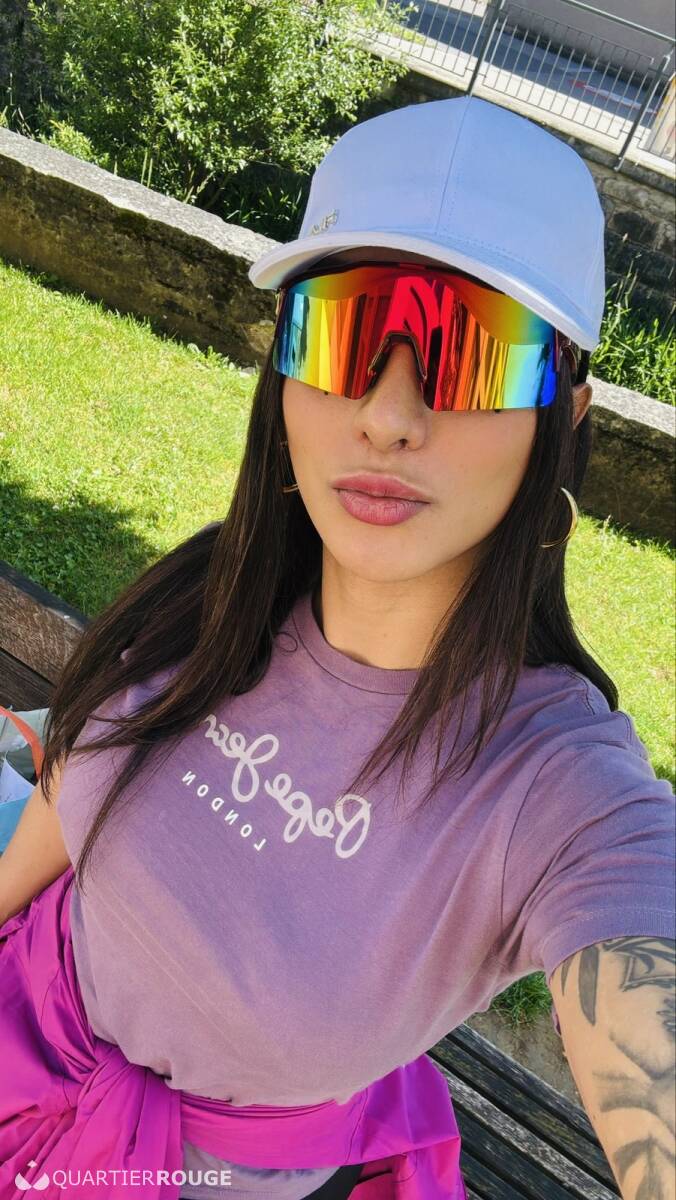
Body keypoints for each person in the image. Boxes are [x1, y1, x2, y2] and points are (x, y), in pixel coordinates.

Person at [0, 95, 673, 1200]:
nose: (388, 415)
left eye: (471, 354)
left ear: (566, 417)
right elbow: (74, 783)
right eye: (346, 334)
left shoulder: (559, 790)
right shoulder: (214, 591)